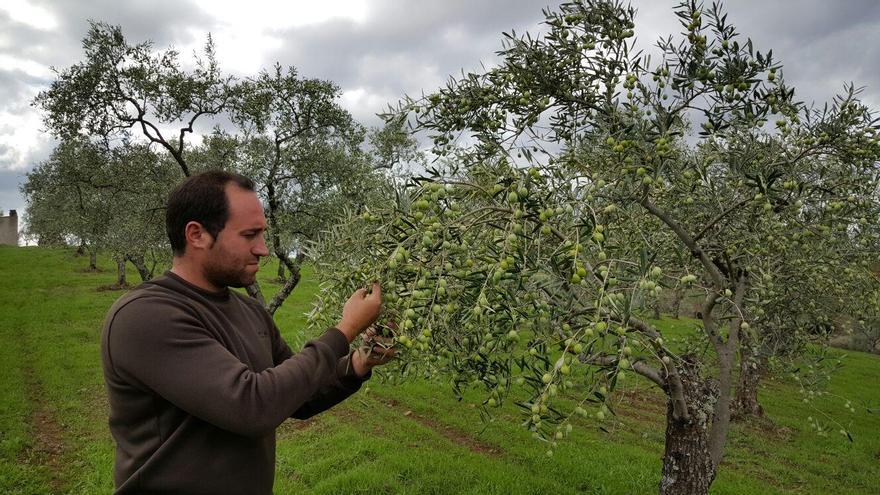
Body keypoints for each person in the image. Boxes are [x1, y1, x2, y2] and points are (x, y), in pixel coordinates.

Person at [100, 170, 391, 494]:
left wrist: (358, 363)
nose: (263, 250)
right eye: (249, 235)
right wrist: (344, 329)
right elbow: (253, 406)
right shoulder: (145, 317)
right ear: (196, 234)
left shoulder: (250, 311)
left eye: (263, 235)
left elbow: (298, 395)